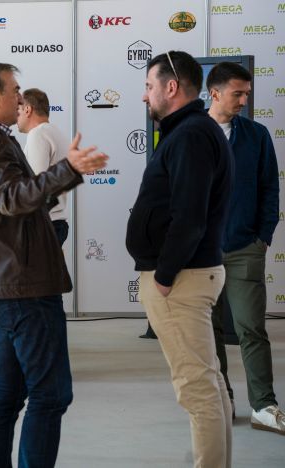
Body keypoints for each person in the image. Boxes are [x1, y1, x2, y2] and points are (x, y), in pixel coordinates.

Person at [0, 62, 107, 468]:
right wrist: (67, 169)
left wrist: (63, 176)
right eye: (14, 90)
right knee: (50, 395)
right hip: (21, 287)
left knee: (5, 394)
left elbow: (11, 202)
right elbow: (13, 199)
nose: (21, 98)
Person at [126, 51, 234, 467]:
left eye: (149, 86)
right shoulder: (190, 131)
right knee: (208, 383)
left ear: (171, 87)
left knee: (197, 388)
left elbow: (189, 216)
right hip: (187, 275)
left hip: (181, 280)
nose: (144, 96)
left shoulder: (190, 135)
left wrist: (165, 275)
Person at [206, 61, 284, 435]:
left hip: (244, 249)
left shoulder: (257, 135)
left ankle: (264, 406)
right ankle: (222, 400)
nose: (244, 100)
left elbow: (270, 187)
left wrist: (262, 236)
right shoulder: (189, 134)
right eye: (238, 93)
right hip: (198, 255)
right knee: (208, 333)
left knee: (251, 328)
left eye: (247, 94)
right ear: (214, 93)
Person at [16, 88, 71, 245]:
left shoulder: (38, 134)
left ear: (28, 110)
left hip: (42, 225)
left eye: (18, 111)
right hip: (54, 223)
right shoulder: (56, 132)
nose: (15, 117)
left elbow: (35, 188)